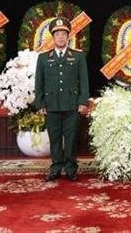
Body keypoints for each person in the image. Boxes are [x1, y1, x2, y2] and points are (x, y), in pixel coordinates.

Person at [34, 17, 90, 182]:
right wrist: (40, 103)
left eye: (63, 34)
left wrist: (82, 102)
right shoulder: (44, 57)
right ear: (53, 37)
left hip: (72, 104)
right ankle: (56, 168)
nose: (60, 37)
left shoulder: (78, 57)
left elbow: (84, 81)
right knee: (55, 139)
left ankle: (71, 169)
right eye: (57, 34)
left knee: (71, 139)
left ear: (68, 37)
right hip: (51, 105)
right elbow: (39, 82)